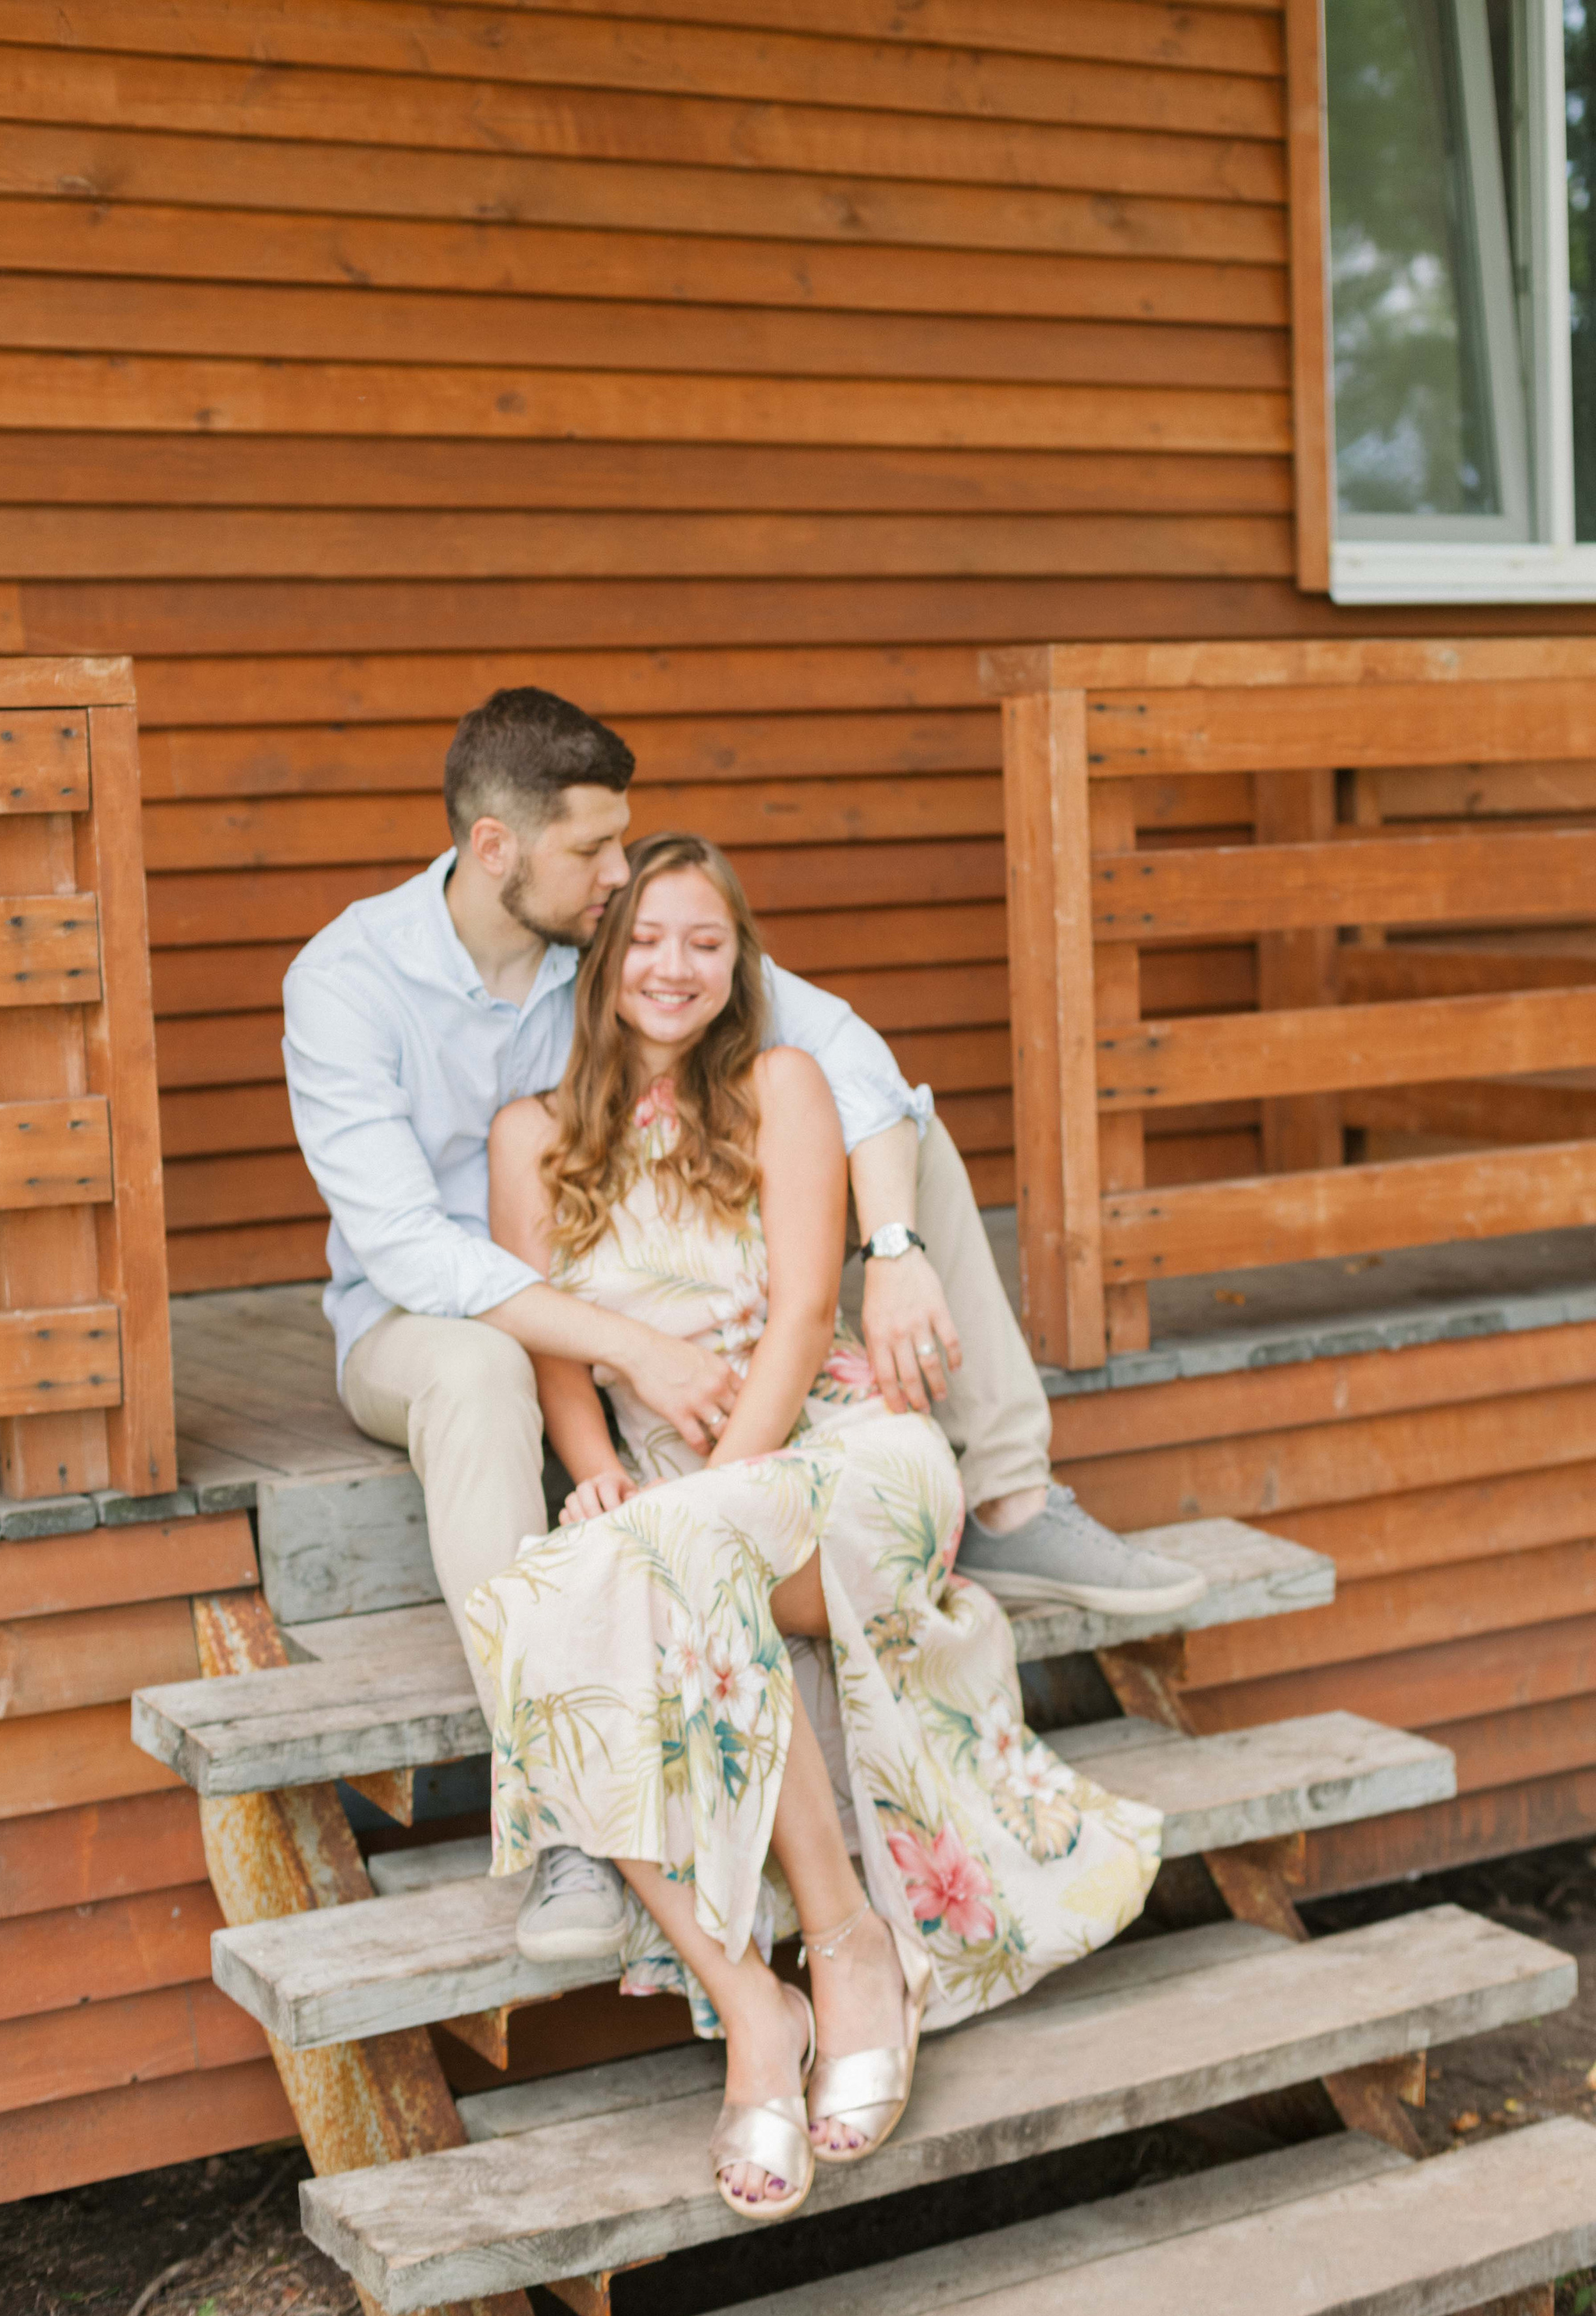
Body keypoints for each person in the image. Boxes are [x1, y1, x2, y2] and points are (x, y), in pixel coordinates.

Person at [281, 688, 1200, 1964]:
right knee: (477, 1361)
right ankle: (561, 1806)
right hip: (421, 1322)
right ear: (496, 851)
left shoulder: (608, 940)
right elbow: (407, 1248)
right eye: (593, 850)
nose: (617, 873)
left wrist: (891, 1250)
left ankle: (1011, 1497)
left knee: (902, 1139)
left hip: (637, 1322)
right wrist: (628, 1351)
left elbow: (853, 1060)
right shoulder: (348, 979)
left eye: (622, 847)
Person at [470, 834, 1163, 2222]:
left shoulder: (782, 1088)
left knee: (662, 1561)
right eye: (649, 939)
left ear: (737, 967)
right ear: (605, 962)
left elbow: (797, 1315)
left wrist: (700, 1491)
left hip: (837, 1450)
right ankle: (755, 2005)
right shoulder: (529, 1136)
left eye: (706, 945)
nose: (674, 967)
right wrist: (601, 1465)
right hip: (679, 1482)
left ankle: (848, 1947)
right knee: (551, 1595)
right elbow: (550, 1346)